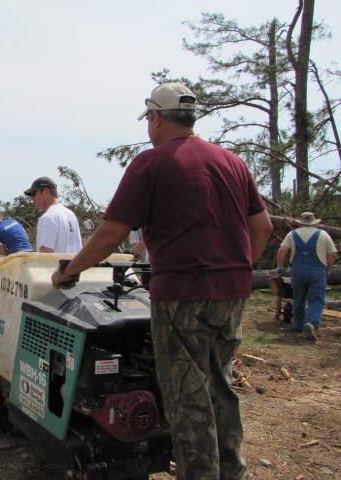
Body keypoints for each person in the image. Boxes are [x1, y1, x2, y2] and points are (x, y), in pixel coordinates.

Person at [51, 82, 273, 480]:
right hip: (230, 296)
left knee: (188, 397)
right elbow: (262, 227)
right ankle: (232, 472)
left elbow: (110, 234)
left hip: (182, 296)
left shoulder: (150, 163)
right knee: (219, 386)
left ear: (155, 118)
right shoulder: (232, 162)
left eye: (148, 120)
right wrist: (237, 271)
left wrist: (70, 271)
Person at [276, 212, 337, 341]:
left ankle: (298, 326)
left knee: (299, 297)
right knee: (316, 299)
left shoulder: (292, 234)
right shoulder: (323, 234)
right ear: (314, 222)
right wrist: (327, 269)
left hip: (298, 270)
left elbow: (282, 251)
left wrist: (280, 268)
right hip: (317, 270)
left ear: (301, 222)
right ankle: (312, 323)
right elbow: (332, 254)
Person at [23, 176, 82, 253]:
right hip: (74, 264)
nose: (32, 198)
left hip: (58, 265)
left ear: (46, 192)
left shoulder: (47, 218)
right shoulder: (70, 214)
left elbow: (45, 254)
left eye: (34, 193)